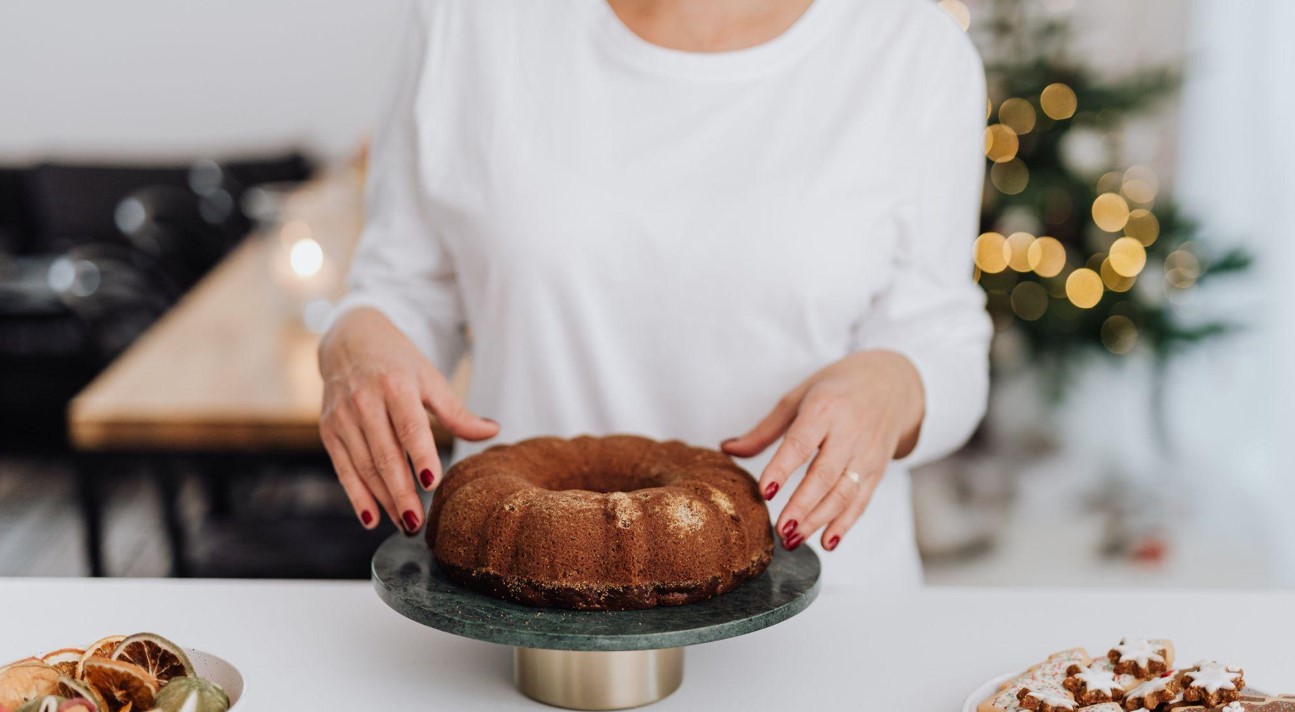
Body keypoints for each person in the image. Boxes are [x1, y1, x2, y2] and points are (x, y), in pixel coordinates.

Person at [318, 0, 991, 590]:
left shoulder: (912, 49)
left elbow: (940, 335)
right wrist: (356, 336)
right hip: (517, 605)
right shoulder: (467, 19)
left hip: (820, 614)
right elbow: (403, 287)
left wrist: (892, 382)